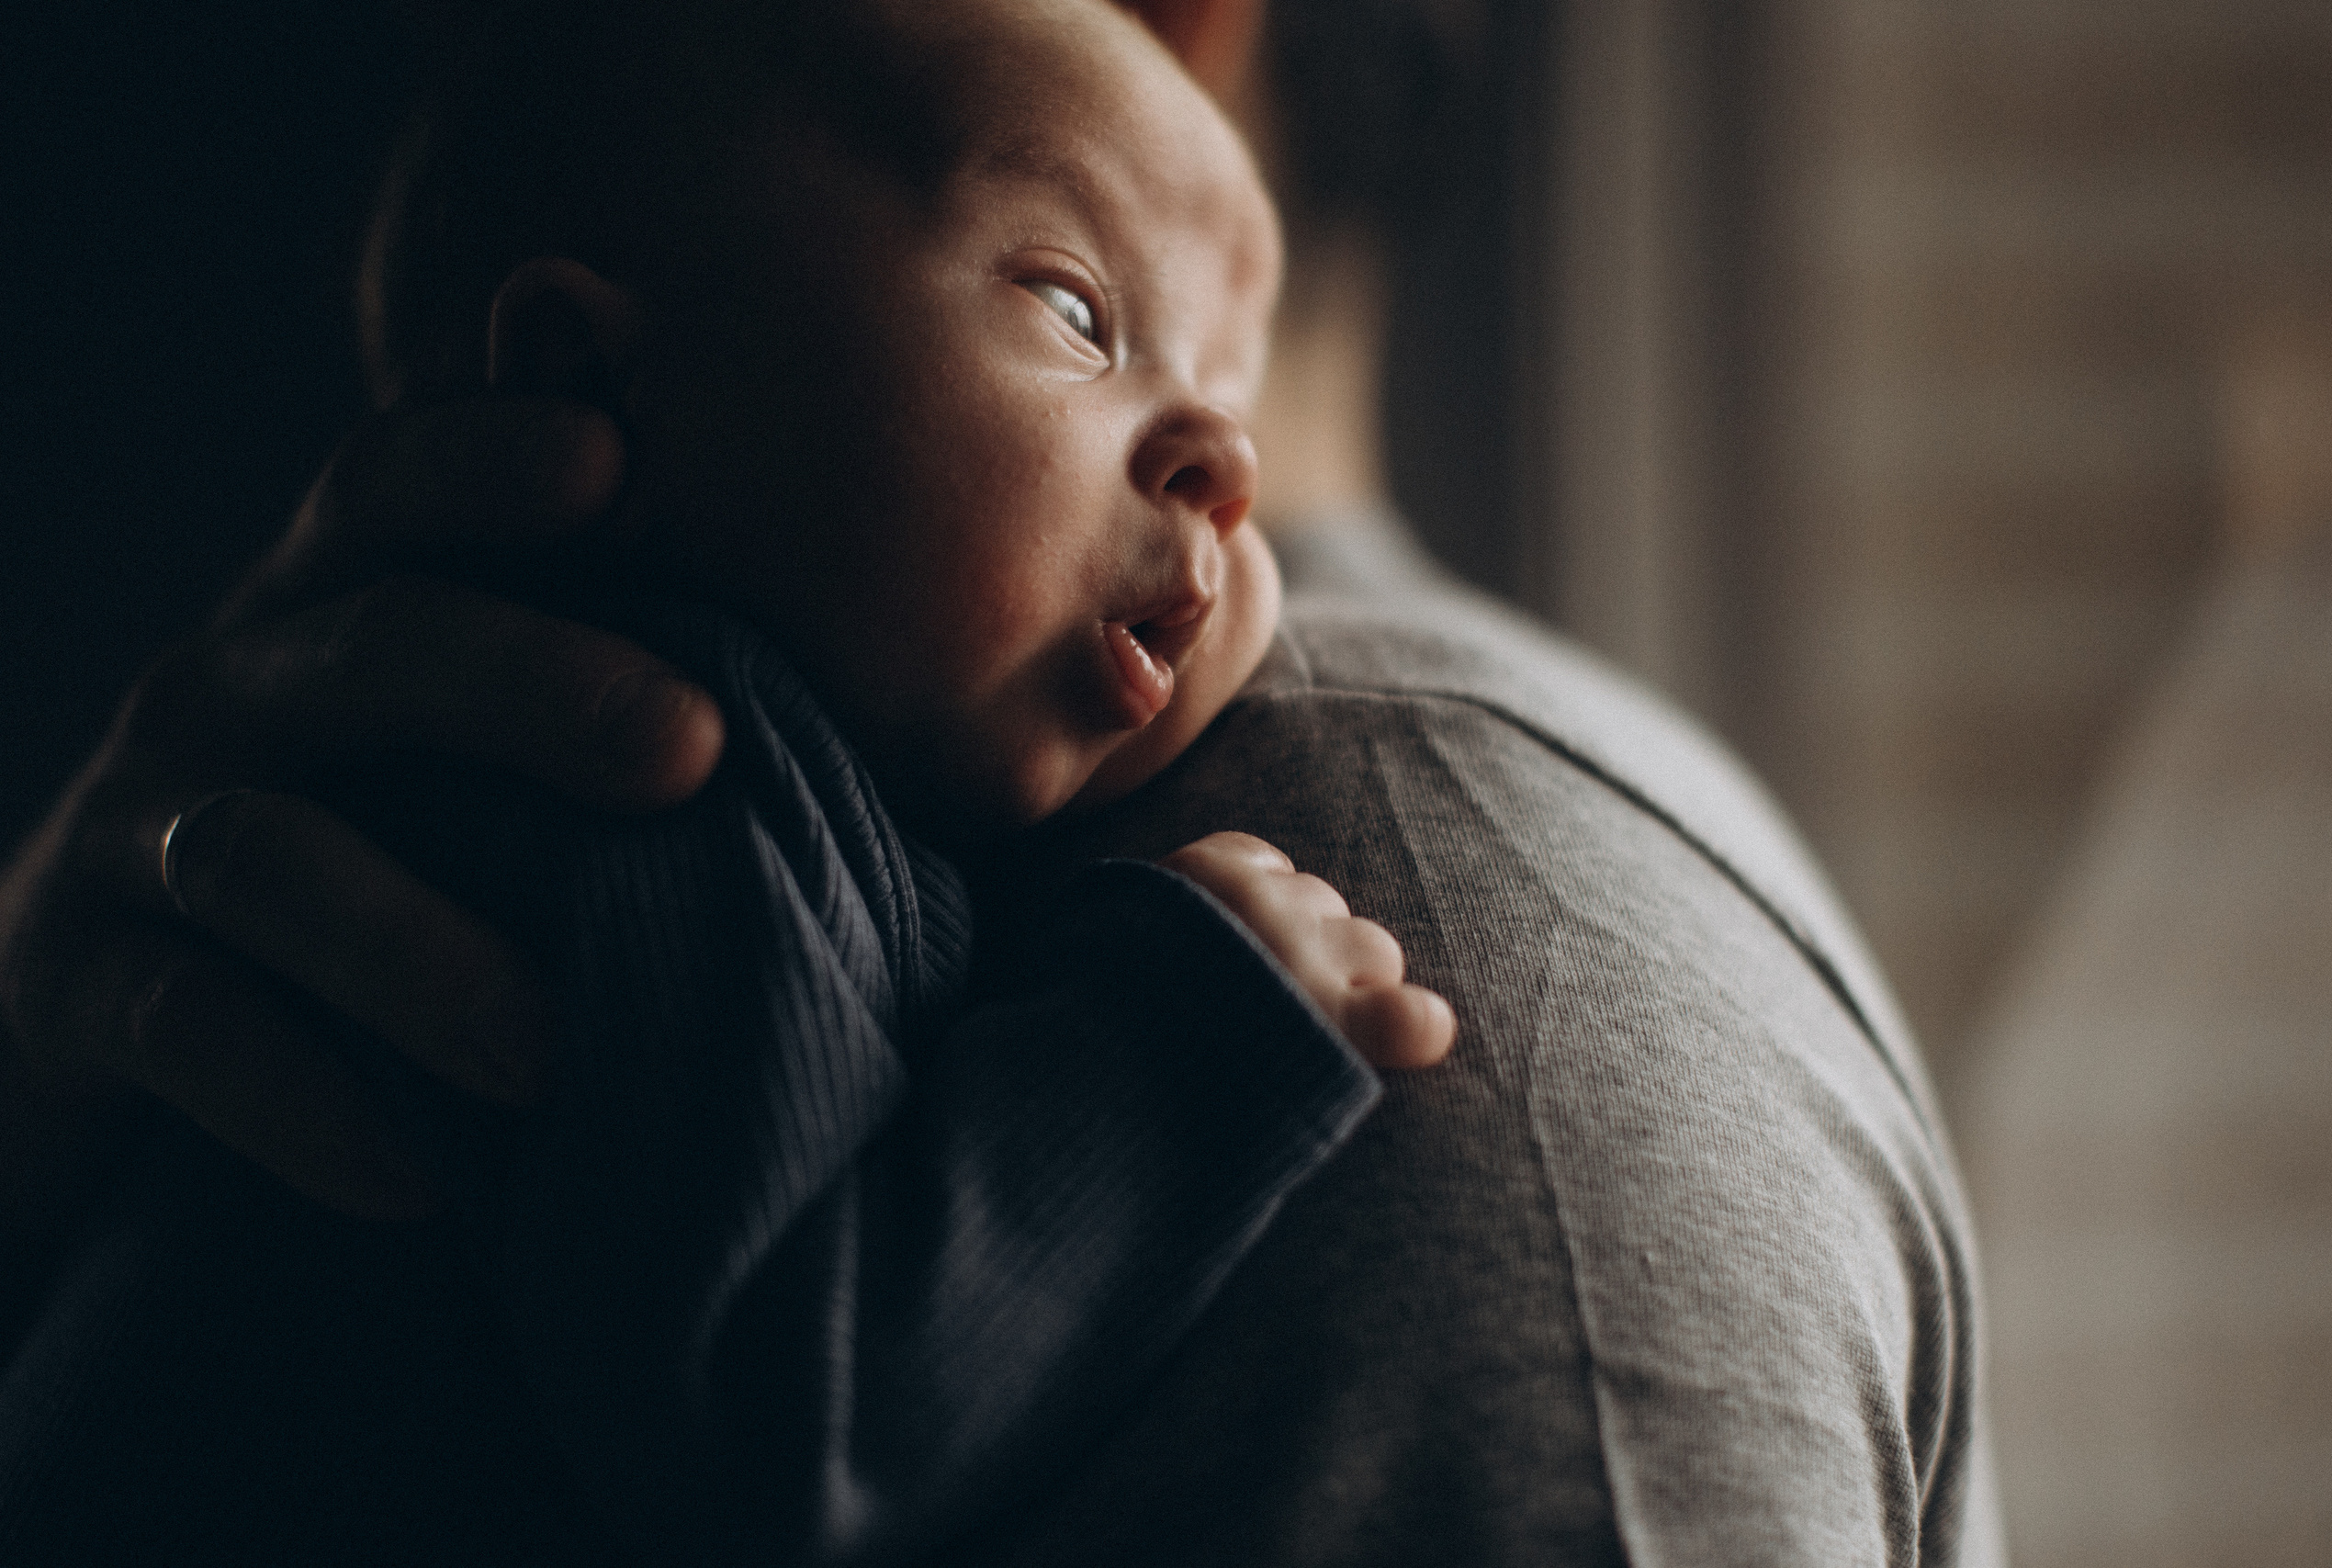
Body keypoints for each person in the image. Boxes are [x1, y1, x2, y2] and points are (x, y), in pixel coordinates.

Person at [0, 0, 2006, 1562]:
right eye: (1073, 314)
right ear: (590, 369)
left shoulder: (1431, 899)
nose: (1207, 471)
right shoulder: (658, 761)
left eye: (1201, 381)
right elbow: (772, 1407)